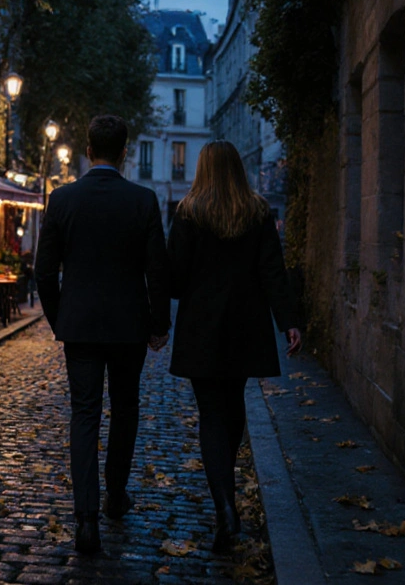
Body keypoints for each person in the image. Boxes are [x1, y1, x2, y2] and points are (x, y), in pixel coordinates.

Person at [34, 115, 171, 555]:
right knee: (126, 409)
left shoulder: (62, 199)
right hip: (128, 327)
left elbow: (43, 272)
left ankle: (85, 518)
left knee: (84, 413)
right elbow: (157, 270)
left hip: (81, 327)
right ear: (125, 152)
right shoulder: (144, 201)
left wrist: (61, 320)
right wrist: (158, 323)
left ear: (88, 150)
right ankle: (115, 494)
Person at [165, 140, 302, 554]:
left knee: (210, 413)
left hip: (202, 326)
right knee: (234, 402)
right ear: (238, 170)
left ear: (202, 169)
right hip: (245, 324)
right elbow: (272, 271)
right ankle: (226, 496)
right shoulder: (258, 212)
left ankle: (225, 506)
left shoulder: (188, 212)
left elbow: (174, 278)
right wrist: (289, 321)